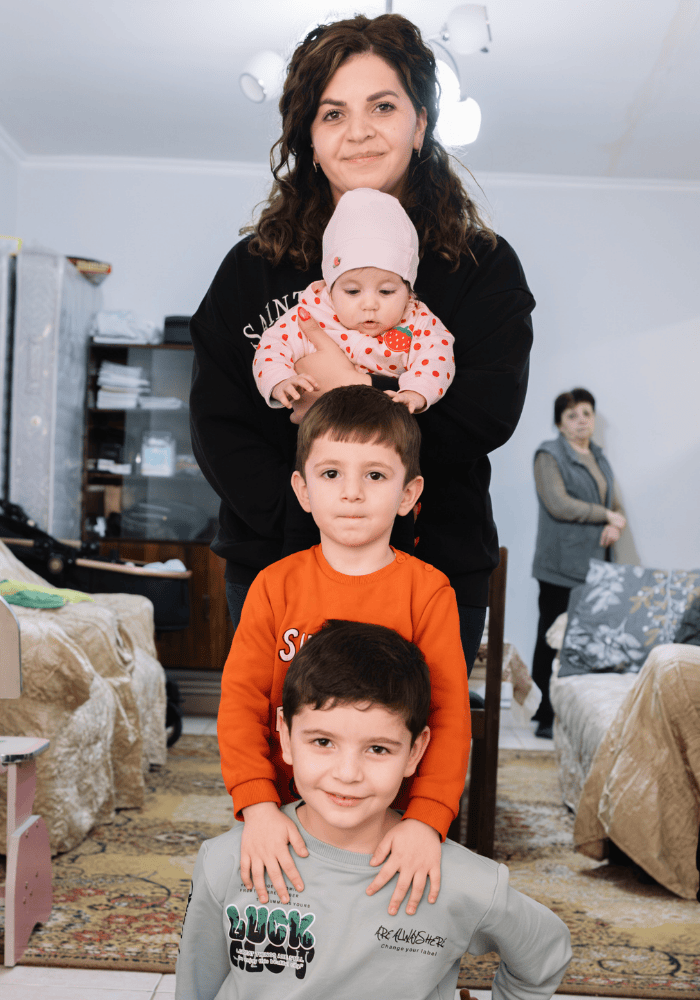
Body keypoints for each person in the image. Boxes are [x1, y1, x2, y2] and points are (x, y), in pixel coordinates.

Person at [189, 13, 535, 673]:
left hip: (433, 566)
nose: (358, 133)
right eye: (332, 114)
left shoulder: (482, 266)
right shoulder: (253, 268)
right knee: (284, 760)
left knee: (413, 763)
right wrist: (301, 523)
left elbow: (484, 413)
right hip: (274, 563)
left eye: (383, 106)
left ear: (422, 123)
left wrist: (348, 390)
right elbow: (217, 422)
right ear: (308, 137)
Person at [176, 619, 572, 1000]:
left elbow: (545, 953)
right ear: (286, 735)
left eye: (378, 748)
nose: (348, 774)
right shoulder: (226, 862)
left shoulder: (462, 881)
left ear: (415, 752)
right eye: (322, 742)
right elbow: (197, 986)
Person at [218, 385, 470, 920]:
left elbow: (448, 719)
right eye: (331, 474)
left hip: (390, 821)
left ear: (408, 493)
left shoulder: (427, 593)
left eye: (375, 475)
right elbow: (239, 705)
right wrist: (259, 807)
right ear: (303, 489)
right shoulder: (273, 587)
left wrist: (425, 821)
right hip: (287, 815)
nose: (352, 493)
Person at [254, 187, 454, 419]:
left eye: (387, 291)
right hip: (322, 430)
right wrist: (279, 380)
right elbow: (272, 346)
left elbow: (437, 357)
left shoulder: (418, 320)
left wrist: (416, 392)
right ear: (330, 289)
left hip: (386, 431)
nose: (369, 304)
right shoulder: (314, 313)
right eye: (352, 291)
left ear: (409, 291)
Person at [530, 387, 627, 738]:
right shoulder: (549, 454)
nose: (581, 420)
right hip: (559, 565)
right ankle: (543, 713)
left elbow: (612, 503)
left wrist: (614, 523)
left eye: (586, 413)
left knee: (584, 640)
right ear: (560, 422)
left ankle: (573, 714)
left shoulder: (598, 455)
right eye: (572, 415)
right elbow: (559, 503)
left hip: (595, 565)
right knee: (551, 637)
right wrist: (605, 515)